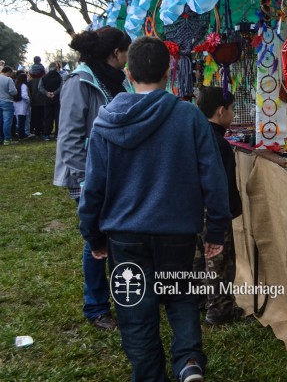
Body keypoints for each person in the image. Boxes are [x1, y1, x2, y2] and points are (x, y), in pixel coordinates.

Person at [78, 37, 230, 382]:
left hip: (124, 236)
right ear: (169, 71)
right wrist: (216, 229)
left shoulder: (106, 121)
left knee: (135, 310)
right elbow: (213, 177)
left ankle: (149, 374)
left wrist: (94, 236)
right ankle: (189, 362)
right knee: (180, 299)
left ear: (128, 72)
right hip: (177, 233)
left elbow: (94, 187)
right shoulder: (189, 116)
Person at [54, 27, 132, 331]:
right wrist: (86, 181)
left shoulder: (117, 80)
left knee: (118, 237)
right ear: (116, 53)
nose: (127, 60)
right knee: (96, 241)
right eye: (126, 53)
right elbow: (70, 137)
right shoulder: (80, 81)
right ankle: (97, 307)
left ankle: (127, 296)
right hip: (88, 176)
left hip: (116, 172)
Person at [195, 86, 243, 325]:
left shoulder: (193, 134)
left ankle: (198, 300)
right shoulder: (219, 144)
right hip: (213, 211)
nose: (233, 115)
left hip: (190, 208)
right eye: (233, 110)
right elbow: (224, 184)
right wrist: (232, 209)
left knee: (197, 257)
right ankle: (220, 309)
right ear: (220, 111)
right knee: (218, 260)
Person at [40, 62, 64, 139]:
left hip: (47, 99)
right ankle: (58, 134)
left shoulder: (44, 77)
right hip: (57, 99)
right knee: (58, 117)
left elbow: (40, 87)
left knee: (47, 117)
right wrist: (55, 93)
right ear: (56, 68)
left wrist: (47, 93)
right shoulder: (60, 77)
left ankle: (47, 134)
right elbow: (61, 86)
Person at [0, 65, 18, 145]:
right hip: (7, 102)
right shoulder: (8, 79)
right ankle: (7, 139)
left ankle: (1, 137)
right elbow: (13, 92)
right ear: (8, 72)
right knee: (7, 121)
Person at [12, 72, 30, 140]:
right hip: (22, 104)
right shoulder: (24, 85)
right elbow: (24, 95)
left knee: (19, 120)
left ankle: (20, 134)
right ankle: (22, 135)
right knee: (22, 121)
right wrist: (29, 101)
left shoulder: (16, 84)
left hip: (16, 104)